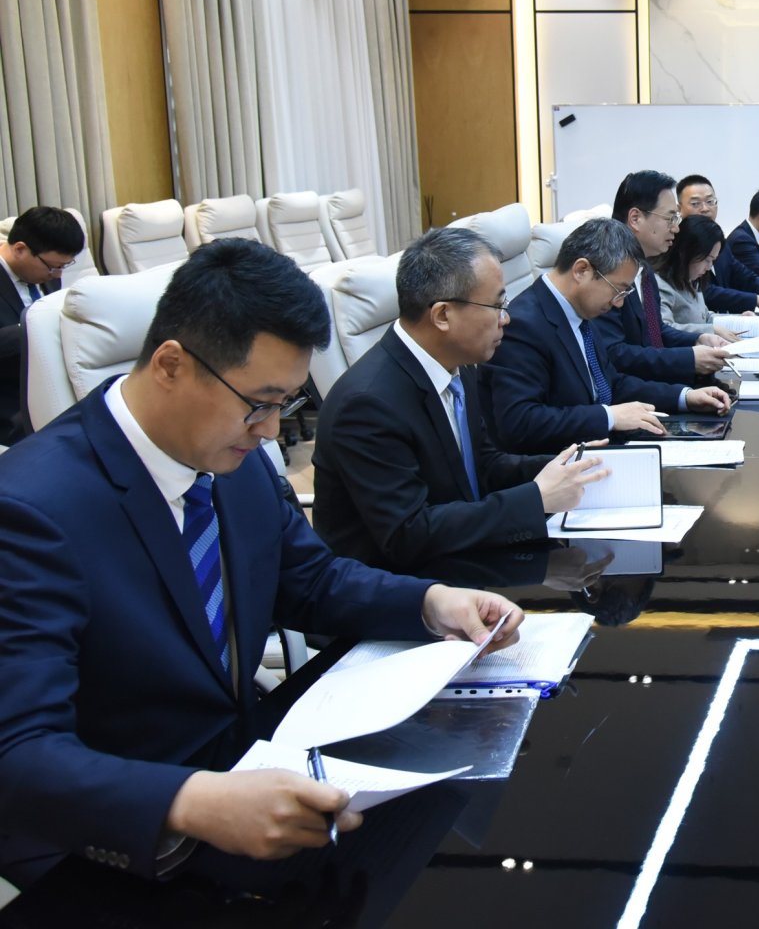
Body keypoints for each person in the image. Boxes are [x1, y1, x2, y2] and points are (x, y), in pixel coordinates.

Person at [0, 239, 523, 883]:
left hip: (248, 767)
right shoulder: (29, 511)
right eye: (260, 402)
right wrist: (190, 801)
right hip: (117, 840)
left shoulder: (228, 456)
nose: (273, 431)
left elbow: (308, 579)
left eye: (285, 404)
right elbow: (20, 753)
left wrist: (429, 601)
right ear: (170, 365)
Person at [313, 228, 610, 569]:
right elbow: (408, 534)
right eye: (496, 305)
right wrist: (536, 499)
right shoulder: (367, 405)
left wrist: (567, 466)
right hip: (399, 583)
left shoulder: (459, 366)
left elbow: (483, 465)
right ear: (442, 315)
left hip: (462, 556)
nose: (506, 318)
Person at [483, 218, 730, 453]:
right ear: (581, 270)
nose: (619, 304)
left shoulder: (580, 313)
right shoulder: (522, 325)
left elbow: (612, 384)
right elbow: (520, 422)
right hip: (564, 463)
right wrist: (608, 416)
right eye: (618, 290)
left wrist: (685, 397)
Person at [597, 170, 733, 384]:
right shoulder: (605, 273)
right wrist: (688, 359)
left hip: (656, 382)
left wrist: (698, 339)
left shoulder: (644, 269)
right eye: (670, 218)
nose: (676, 228)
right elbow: (615, 354)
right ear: (635, 218)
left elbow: (656, 331)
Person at [0, 206, 85, 443]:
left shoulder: (45, 273)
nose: (58, 275)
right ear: (20, 249)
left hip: (53, 381)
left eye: (64, 266)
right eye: (53, 266)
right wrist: (35, 327)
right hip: (10, 398)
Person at [676, 173, 759, 313]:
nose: (705, 208)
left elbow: (746, 277)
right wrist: (756, 300)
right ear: (679, 209)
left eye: (710, 201)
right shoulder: (676, 245)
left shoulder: (718, 242)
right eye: (695, 203)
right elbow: (705, 292)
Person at [656, 214, 730, 335]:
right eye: (707, 259)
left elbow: (705, 317)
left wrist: (738, 319)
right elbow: (665, 329)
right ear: (687, 252)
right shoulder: (661, 285)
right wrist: (710, 330)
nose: (709, 267)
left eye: (713, 260)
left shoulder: (692, 279)